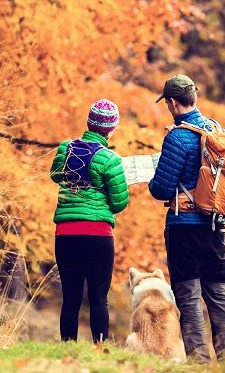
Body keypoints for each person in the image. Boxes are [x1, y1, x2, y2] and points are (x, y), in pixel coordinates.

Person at [148, 74, 225, 362]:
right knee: (219, 291)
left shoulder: (177, 137)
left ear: (173, 102)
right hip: (216, 225)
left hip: (184, 227)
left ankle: (200, 362)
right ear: (195, 97)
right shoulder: (215, 130)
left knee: (188, 294)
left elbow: (161, 188)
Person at [50, 99, 129, 342]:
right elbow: (119, 203)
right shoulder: (110, 159)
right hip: (97, 235)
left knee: (70, 297)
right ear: (111, 129)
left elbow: (55, 175)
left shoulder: (66, 148)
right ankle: (100, 349)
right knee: (98, 297)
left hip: (65, 233)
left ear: (88, 123)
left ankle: (67, 350)